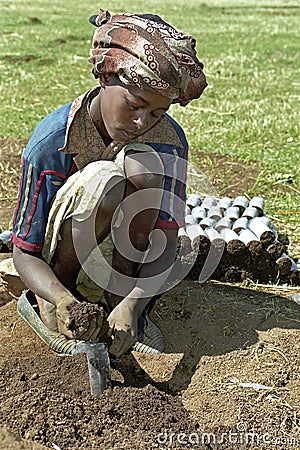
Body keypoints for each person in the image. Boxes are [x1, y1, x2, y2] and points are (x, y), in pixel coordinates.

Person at [12, 8, 207, 357]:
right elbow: (24, 253)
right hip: (58, 269)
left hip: (125, 270)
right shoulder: (51, 142)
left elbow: (165, 237)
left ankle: (120, 301)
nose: (141, 121)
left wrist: (133, 305)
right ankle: (62, 303)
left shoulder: (169, 144)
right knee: (105, 181)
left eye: (157, 113)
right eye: (135, 105)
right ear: (105, 78)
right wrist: (59, 298)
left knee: (144, 168)